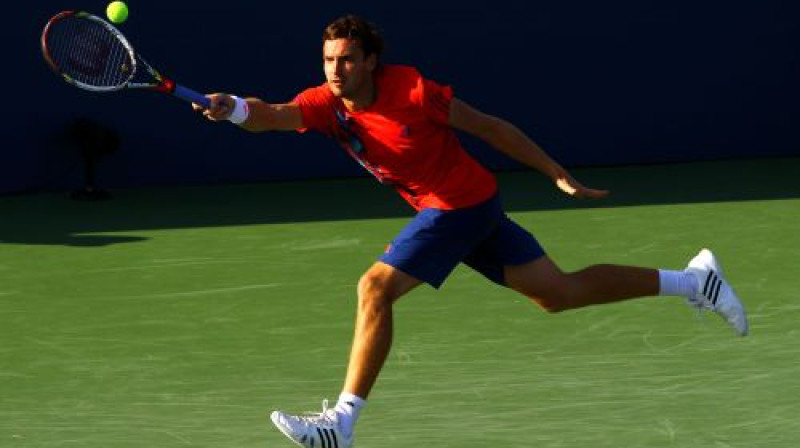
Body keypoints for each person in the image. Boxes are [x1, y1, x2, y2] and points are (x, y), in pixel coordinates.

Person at [193, 15, 748, 448]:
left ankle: (342, 422)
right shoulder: (327, 104)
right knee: (557, 293)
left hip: (457, 205)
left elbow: (490, 127)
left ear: (371, 62)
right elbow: (275, 113)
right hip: (466, 206)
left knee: (374, 288)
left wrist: (554, 172)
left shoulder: (412, 91)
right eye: (327, 60)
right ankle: (694, 281)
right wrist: (233, 108)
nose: (334, 70)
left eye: (346, 60)